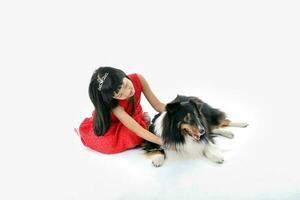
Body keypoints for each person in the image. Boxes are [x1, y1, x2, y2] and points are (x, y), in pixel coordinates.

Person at [77, 66, 165, 154]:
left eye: (126, 85)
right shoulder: (115, 106)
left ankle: (142, 121)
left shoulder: (138, 78)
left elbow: (158, 105)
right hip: (115, 124)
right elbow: (137, 130)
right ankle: (84, 134)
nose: (127, 92)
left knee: (141, 132)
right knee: (122, 139)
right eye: (120, 95)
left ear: (123, 74)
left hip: (132, 117)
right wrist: (164, 142)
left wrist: (176, 109)